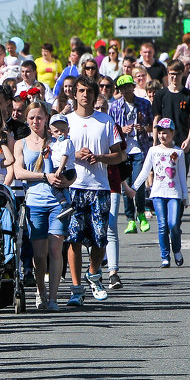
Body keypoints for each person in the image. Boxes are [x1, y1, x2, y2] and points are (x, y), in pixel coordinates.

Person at [63, 78, 125, 307]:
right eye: (80, 91)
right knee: (74, 239)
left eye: (89, 91)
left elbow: (119, 155)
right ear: (74, 94)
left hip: (99, 188)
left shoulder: (105, 121)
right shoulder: (66, 122)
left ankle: (94, 273)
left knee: (100, 238)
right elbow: (54, 152)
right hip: (74, 187)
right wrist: (74, 155)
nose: (84, 95)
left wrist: (98, 157)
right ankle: (76, 289)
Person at [12, 101, 68, 310]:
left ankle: (53, 298)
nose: (36, 121)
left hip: (58, 202)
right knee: (39, 254)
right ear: (26, 120)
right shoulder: (21, 143)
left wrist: (67, 181)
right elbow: (19, 172)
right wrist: (44, 176)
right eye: (32, 118)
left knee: (55, 250)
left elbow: (71, 168)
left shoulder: (56, 141)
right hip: (35, 202)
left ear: (46, 119)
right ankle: (40, 291)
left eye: (40, 117)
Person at [131, 119, 189, 268]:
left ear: (172, 133)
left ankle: (176, 250)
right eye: (160, 133)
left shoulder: (178, 152)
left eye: (166, 133)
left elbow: (182, 175)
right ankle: (165, 256)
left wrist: (185, 196)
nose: (163, 136)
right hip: (158, 193)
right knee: (162, 225)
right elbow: (145, 171)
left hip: (174, 193)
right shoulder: (153, 151)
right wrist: (134, 188)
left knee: (174, 224)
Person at [109, 73, 152, 235]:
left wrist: (143, 126)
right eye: (123, 88)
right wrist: (122, 130)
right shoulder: (114, 106)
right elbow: (111, 128)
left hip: (139, 148)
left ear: (133, 87)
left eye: (128, 86)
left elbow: (151, 126)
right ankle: (130, 219)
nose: (126, 90)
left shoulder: (144, 104)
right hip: (123, 150)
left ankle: (141, 213)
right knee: (125, 184)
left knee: (138, 182)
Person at [152, 60, 190, 174]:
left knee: (181, 177)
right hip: (164, 142)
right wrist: (155, 142)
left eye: (177, 74)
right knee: (165, 177)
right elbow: (156, 118)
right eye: (171, 74)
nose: (174, 77)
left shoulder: (189, 95)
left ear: (182, 74)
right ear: (168, 74)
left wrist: (188, 140)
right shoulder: (160, 95)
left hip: (182, 141)